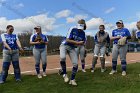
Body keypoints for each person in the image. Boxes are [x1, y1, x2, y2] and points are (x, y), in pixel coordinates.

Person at [59, 19, 86, 86]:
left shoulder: (83, 34)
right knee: (62, 57)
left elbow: (83, 43)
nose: (80, 30)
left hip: (72, 48)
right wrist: (77, 42)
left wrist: (83, 47)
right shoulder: (72, 28)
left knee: (76, 64)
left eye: (81, 28)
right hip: (64, 45)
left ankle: (72, 79)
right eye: (79, 28)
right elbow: (68, 40)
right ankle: (64, 74)